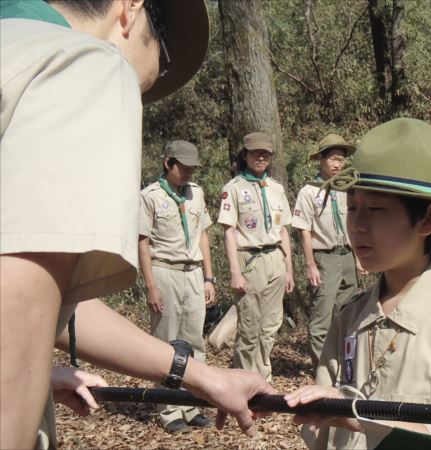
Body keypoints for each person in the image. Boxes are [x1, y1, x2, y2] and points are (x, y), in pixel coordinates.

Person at [0, 1, 273, 449]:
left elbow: (44, 292)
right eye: (161, 59)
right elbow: (20, 301)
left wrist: (200, 376)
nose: (146, 88)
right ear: (129, 9)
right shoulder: (80, 64)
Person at [285, 118, 431, 449]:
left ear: (430, 219)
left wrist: (359, 418)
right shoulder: (349, 319)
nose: (358, 226)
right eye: (351, 207)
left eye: (376, 209)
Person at [139, 140, 216, 432]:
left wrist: (209, 278)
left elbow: (203, 236)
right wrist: (151, 286)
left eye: (191, 168)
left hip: (193, 273)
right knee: (166, 344)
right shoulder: (150, 196)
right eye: (182, 167)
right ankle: (169, 410)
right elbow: (143, 243)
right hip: (165, 271)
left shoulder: (196, 194)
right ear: (167, 163)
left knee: (194, 342)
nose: (187, 173)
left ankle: (192, 405)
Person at [218, 132, 295, 381]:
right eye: (255, 153)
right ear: (245, 155)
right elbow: (229, 232)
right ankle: (243, 380)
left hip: (275, 258)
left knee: (271, 325)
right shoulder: (234, 189)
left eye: (265, 153)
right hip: (249, 260)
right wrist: (235, 272)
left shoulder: (276, 189)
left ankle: (263, 378)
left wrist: (289, 269)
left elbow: (283, 231)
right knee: (249, 327)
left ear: (271, 156)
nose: (261, 157)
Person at [292, 134, 363, 368]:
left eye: (341, 160)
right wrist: (310, 264)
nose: (337, 164)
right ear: (320, 160)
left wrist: (358, 257)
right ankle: (323, 369)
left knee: (346, 314)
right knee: (321, 317)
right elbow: (304, 231)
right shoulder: (309, 192)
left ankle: (343, 365)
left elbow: (352, 225)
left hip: (346, 256)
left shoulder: (346, 189)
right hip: (324, 258)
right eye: (332, 159)